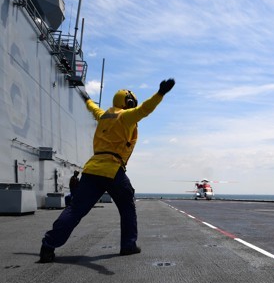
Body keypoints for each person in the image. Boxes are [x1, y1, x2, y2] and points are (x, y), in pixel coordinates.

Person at [39, 79, 175, 263]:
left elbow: (93, 109)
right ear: (128, 102)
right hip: (112, 168)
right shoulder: (126, 117)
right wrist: (160, 94)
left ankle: (48, 246)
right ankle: (128, 245)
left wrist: (87, 99)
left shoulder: (104, 116)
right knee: (127, 206)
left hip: (92, 168)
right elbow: (145, 109)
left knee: (75, 209)